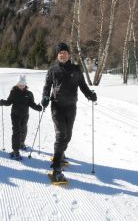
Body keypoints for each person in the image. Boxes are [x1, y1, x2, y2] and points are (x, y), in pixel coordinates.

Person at [41, 42, 97, 182]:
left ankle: (61, 153)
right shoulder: (53, 70)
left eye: (65, 53)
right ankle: (56, 169)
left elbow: (82, 85)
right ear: (57, 55)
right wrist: (45, 97)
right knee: (61, 135)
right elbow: (47, 86)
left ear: (69, 55)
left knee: (68, 135)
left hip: (71, 106)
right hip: (57, 106)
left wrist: (90, 94)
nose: (62, 55)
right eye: (60, 53)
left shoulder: (76, 69)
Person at [0, 75, 42, 160]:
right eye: (19, 84)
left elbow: (32, 104)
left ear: (25, 84)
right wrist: (3, 102)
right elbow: (9, 102)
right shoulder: (13, 92)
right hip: (15, 115)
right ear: (17, 84)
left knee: (23, 130)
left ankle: (21, 143)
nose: (21, 86)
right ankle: (15, 150)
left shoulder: (29, 94)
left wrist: (38, 107)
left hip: (25, 116)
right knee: (16, 132)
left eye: (23, 84)